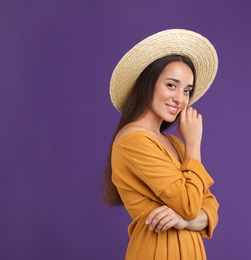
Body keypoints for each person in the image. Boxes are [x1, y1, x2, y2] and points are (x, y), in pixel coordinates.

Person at [103, 29, 219, 260]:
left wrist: (184, 220)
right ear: (148, 84)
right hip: (158, 252)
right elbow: (189, 203)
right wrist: (194, 143)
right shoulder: (133, 141)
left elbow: (210, 205)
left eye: (187, 90)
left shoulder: (174, 143)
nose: (180, 98)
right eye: (171, 85)